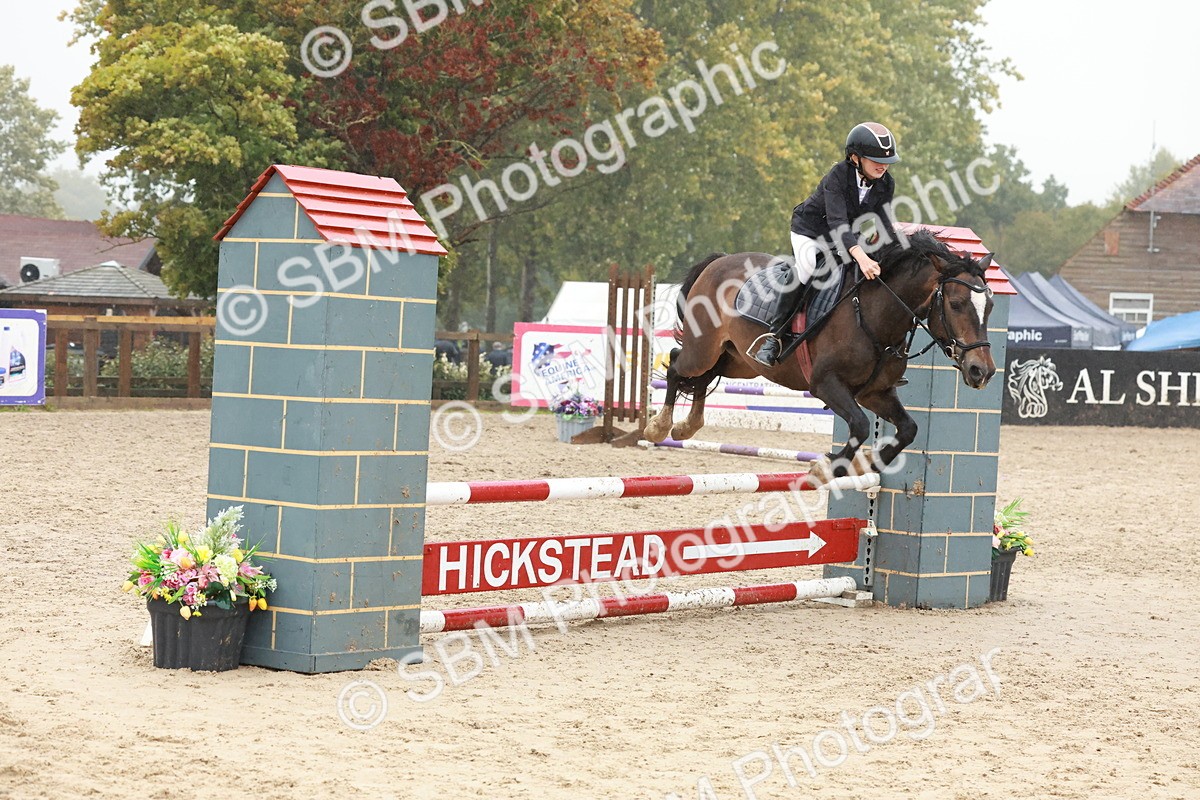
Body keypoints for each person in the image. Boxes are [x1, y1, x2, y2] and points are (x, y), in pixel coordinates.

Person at [750, 121, 901, 367]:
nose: (883, 165)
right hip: (810, 231)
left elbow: (884, 224)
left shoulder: (886, 183)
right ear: (855, 158)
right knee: (808, 267)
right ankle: (774, 337)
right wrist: (862, 257)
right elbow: (837, 221)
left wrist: (893, 254)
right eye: (875, 159)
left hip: (843, 235)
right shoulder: (838, 176)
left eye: (886, 161)